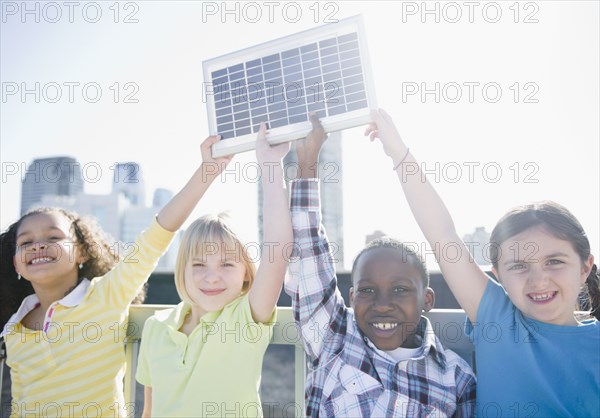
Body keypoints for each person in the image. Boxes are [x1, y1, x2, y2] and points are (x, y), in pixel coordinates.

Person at [366, 108, 600, 417]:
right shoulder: (497, 318)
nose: (538, 280)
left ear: (585, 267)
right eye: (518, 266)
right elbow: (442, 235)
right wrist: (398, 153)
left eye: (554, 261)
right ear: (498, 275)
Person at [0, 134, 231, 418]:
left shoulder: (106, 295)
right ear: (17, 265)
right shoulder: (13, 328)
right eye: (26, 242)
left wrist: (207, 170)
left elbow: (156, 237)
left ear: (82, 253)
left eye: (53, 237)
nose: (38, 245)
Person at [285, 114, 476, 417]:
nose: (382, 304)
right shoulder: (334, 338)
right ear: (351, 299)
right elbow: (308, 252)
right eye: (368, 290)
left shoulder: (456, 377)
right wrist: (307, 161)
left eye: (400, 289)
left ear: (426, 299)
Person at [135, 123, 293, 418]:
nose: (211, 276)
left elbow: (277, 251)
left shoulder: (247, 319)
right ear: (182, 269)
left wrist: (271, 166)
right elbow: (149, 411)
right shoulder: (156, 327)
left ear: (247, 271)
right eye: (198, 264)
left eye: (227, 264)